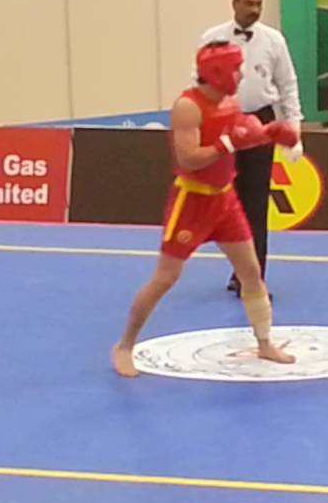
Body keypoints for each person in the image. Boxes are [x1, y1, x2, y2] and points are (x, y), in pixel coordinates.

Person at [110, 42, 298, 378]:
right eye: (236, 69)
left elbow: (242, 136)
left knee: (251, 272)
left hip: (225, 199)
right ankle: (124, 346)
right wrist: (229, 143)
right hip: (192, 201)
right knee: (165, 278)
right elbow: (189, 159)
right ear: (218, 72)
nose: (240, 75)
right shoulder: (188, 107)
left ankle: (264, 343)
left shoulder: (230, 103)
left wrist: (269, 134)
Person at [201, 0, 303, 296]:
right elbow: (199, 85)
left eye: (259, 4)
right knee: (228, 205)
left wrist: (295, 132)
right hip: (223, 122)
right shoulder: (212, 38)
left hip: (261, 122)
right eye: (248, 3)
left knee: (256, 204)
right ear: (234, 3)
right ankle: (238, 270)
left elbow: (288, 85)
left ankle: (253, 278)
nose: (255, 9)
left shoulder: (274, 40)